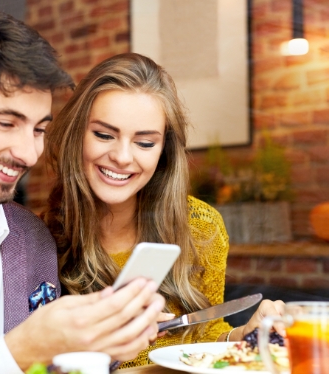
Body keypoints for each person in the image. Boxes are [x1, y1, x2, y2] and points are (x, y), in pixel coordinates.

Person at [0, 9, 165, 374]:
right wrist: (20, 349)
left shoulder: (33, 238)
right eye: (7, 123)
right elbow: (20, 356)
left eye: (39, 129)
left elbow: (48, 368)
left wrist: (102, 345)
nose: (28, 153)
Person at [44, 53, 286, 368]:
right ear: (77, 135)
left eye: (145, 143)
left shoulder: (200, 227)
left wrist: (245, 337)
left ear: (163, 151)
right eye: (104, 135)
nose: (121, 157)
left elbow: (205, 337)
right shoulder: (40, 240)